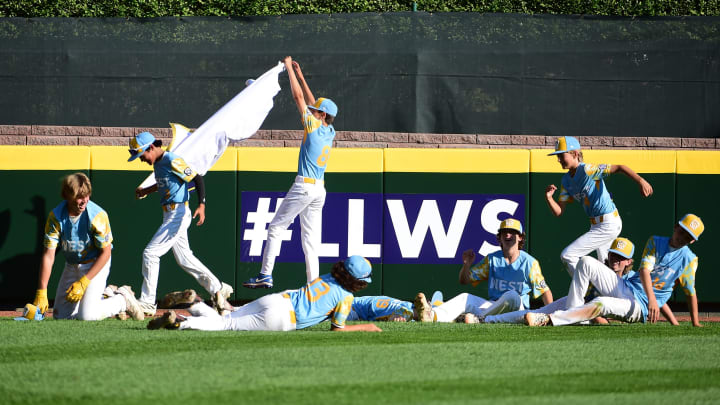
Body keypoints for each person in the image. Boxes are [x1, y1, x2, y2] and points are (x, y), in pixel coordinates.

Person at [244, 56, 338, 289]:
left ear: (322, 115)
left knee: (276, 228)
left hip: (304, 186)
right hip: (319, 189)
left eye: (316, 110)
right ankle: (314, 284)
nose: (312, 110)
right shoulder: (330, 130)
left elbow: (298, 98)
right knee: (310, 241)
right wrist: (301, 76)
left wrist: (288, 69)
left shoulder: (314, 125)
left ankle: (265, 274)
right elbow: (313, 102)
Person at [525, 214, 704, 327]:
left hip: (639, 307)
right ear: (675, 227)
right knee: (586, 261)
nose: (683, 238)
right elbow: (645, 271)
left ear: (693, 241)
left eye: (688, 237)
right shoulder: (656, 241)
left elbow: (689, 292)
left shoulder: (689, 259)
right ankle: (570, 316)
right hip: (626, 289)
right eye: (682, 232)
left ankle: (555, 320)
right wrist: (653, 300)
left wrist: (695, 322)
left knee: (602, 303)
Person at [128, 131, 232, 316]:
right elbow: (166, 184)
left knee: (150, 254)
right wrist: (147, 191)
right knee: (185, 259)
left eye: (142, 155)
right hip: (169, 214)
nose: (141, 159)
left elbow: (197, 178)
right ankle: (218, 287)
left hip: (178, 213)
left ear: (151, 147)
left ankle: (147, 302)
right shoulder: (159, 163)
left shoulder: (171, 160)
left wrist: (202, 205)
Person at [148, 255, 382, 333]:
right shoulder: (346, 296)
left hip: (278, 299)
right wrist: (367, 327)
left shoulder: (328, 277)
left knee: (227, 319)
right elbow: (337, 329)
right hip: (283, 319)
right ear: (357, 282)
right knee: (226, 326)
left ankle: (195, 302)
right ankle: (180, 321)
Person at [30, 173, 144, 321]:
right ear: (67, 196)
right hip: (72, 265)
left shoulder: (97, 215)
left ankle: (122, 300)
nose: (84, 201)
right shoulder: (56, 217)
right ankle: (106, 295)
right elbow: (48, 255)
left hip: (95, 264)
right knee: (61, 317)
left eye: (87, 195)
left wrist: (84, 282)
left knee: (87, 316)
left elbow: (106, 252)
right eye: (79, 197)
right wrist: (42, 291)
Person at [545, 136, 653, 276]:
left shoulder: (588, 169)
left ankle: (591, 286)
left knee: (568, 255)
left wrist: (641, 181)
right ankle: (620, 292)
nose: (559, 160)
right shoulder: (565, 180)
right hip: (596, 226)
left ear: (575, 154)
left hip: (608, 222)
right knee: (607, 270)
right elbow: (559, 211)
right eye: (557, 156)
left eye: (561, 155)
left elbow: (620, 167)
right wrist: (548, 198)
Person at [415, 218, 553, 323]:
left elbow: (544, 291)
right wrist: (466, 265)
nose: (508, 235)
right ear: (499, 237)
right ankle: (432, 315)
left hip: (518, 310)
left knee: (512, 296)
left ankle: (476, 318)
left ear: (520, 237)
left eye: (513, 232)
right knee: (465, 297)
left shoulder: (529, 262)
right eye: (504, 232)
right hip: (493, 307)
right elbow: (464, 281)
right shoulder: (492, 259)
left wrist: (550, 315)